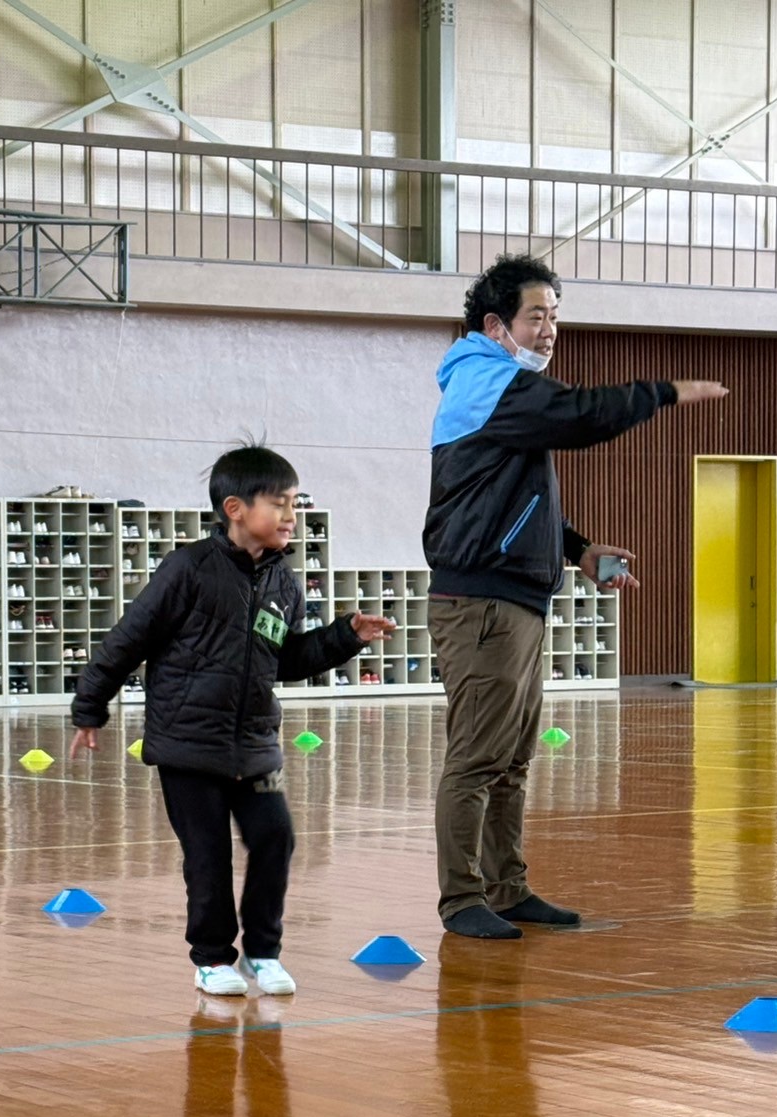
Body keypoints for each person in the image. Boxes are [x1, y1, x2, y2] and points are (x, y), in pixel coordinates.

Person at [424, 253, 728, 940]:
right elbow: (582, 413)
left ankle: (506, 888)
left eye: (555, 316)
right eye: (537, 316)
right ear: (496, 325)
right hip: (482, 604)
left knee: (512, 758)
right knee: (478, 756)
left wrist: (580, 548)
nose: (550, 329)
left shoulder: (502, 391)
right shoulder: (485, 381)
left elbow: (511, 503)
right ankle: (462, 898)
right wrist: (663, 391)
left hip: (516, 602)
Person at [70, 443, 395, 995]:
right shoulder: (188, 569)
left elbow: (284, 660)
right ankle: (213, 959)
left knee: (275, 838)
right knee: (208, 856)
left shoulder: (284, 583)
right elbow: (128, 640)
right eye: (279, 503)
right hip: (187, 745)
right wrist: (89, 709)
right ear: (236, 509)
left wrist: (345, 637)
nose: (292, 516)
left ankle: (263, 953)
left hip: (255, 745)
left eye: (295, 503)